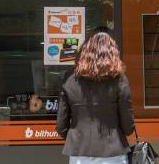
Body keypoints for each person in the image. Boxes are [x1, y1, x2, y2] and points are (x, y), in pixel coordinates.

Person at [57, 31, 135, 164]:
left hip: (79, 152)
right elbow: (128, 127)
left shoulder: (70, 78)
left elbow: (61, 126)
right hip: (113, 151)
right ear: (112, 53)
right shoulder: (119, 79)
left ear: (85, 51)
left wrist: (76, 136)